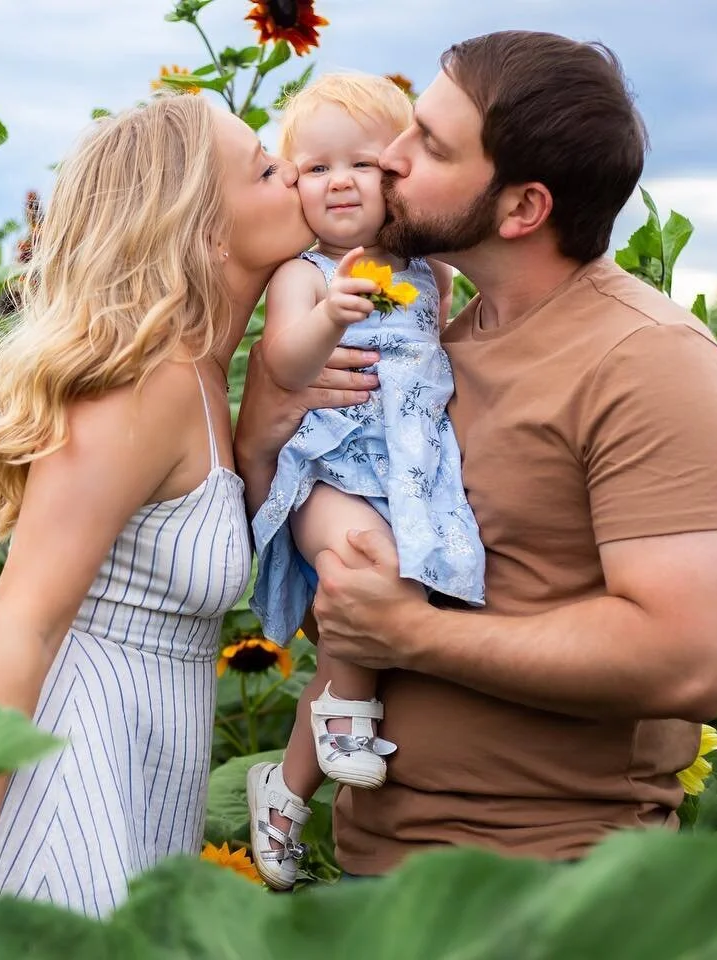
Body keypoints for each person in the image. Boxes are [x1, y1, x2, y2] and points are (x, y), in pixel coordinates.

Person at [233, 31, 717, 878]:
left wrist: (414, 634)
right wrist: (261, 434)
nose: (389, 160)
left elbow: (688, 659)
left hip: (544, 887)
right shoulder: (436, 345)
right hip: (386, 875)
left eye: (430, 145)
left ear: (522, 209)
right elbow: (336, 603)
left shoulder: (649, 359)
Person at [0, 94, 348, 918]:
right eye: (266, 169)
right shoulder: (145, 385)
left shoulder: (199, 374)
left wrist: (260, 433)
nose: (294, 171)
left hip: (141, 758)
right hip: (63, 764)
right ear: (204, 230)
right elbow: (25, 624)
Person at [242, 73, 485, 892]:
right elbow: (283, 364)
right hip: (327, 466)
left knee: (374, 613)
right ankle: (348, 725)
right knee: (361, 561)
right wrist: (330, 314)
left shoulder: (427, 273)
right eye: (314, 168)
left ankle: (285, 792)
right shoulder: (306, 275)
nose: (339, 180)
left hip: (410, 475)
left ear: (398, 179)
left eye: (363, 164)